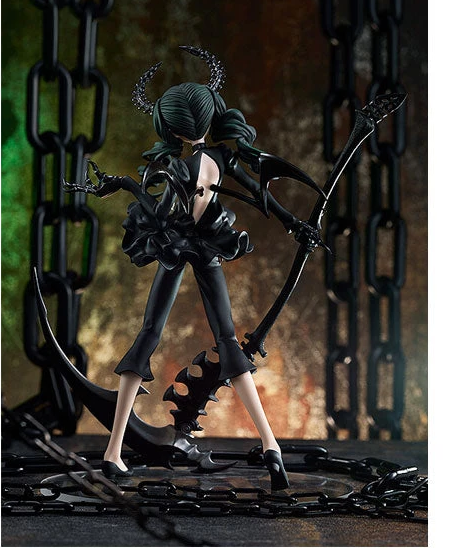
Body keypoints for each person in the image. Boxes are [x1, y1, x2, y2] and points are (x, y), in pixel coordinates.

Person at [66, 47, 319, 491]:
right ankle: (271, 445)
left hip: (175, 247)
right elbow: (262, 194)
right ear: (211, 116)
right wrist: (294, 223)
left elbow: (157, 213)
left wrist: (123, 187)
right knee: (228, 341)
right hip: (207, 247)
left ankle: (113, 451)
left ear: (169, 127)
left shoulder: (173, 167)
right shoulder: (222, 160)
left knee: (148, 334)